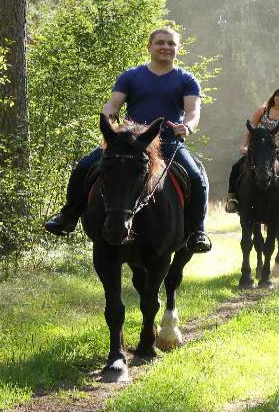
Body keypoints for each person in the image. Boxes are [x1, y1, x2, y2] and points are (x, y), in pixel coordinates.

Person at [44, 27, 212, 253]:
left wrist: (188, 127)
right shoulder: (131, 76)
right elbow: (113, 104)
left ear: (177, 49)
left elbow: (193, 111)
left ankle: (197, 232)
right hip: (129, 144)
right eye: (160, 43)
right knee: (83, 167)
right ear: (150, 47)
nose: (166, 47)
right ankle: (68, 216)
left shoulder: (187, 79)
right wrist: (108, 119)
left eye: (171, 44)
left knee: (197, 178)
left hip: (169, 145)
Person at [226, 86, 279, 214]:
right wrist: (246, 146)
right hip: (258, 151)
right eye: (278, 95)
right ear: (273, 96)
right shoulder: (262, 110)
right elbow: (249, 130)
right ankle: (232, 199)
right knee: (236, 167)